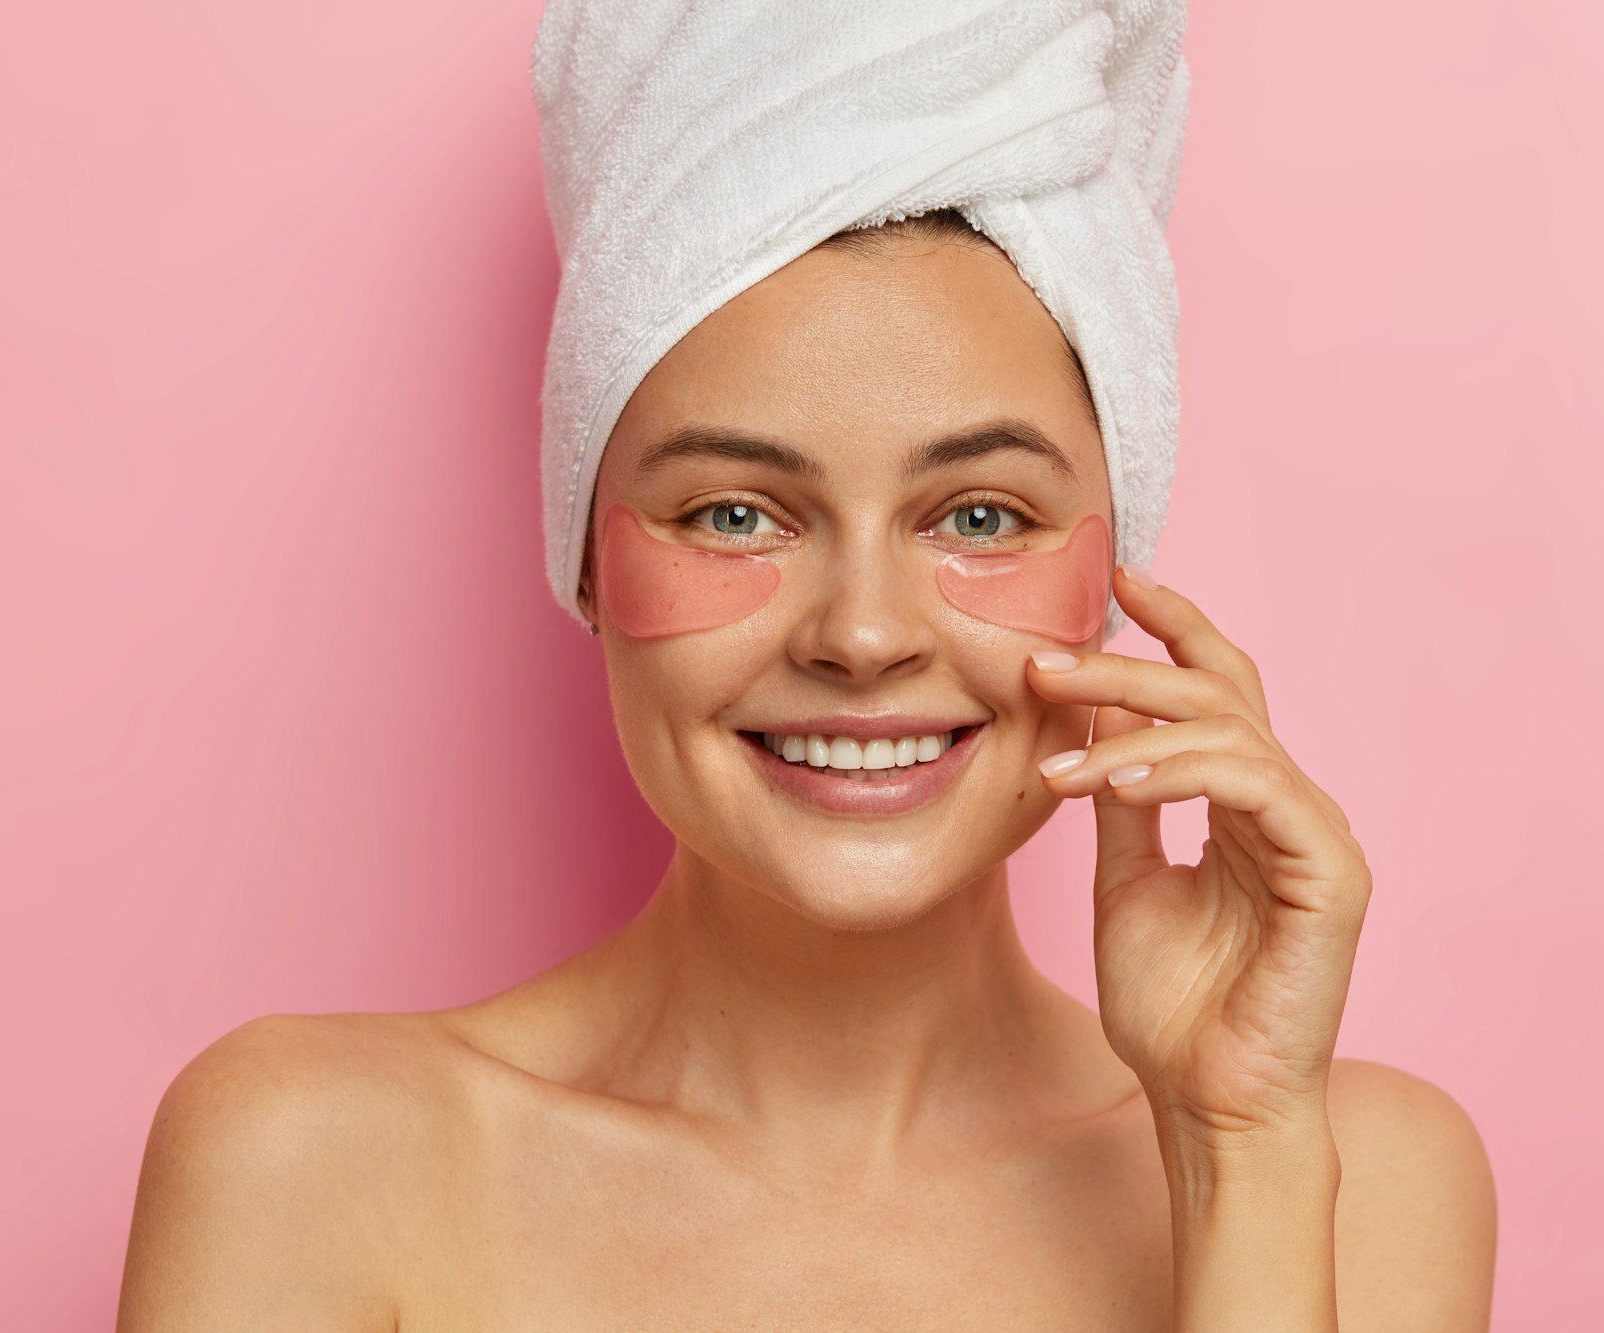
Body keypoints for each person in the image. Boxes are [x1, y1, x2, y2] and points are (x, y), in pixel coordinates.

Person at [116, 206, 1496, 1330]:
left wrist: (1236, 1152)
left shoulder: (1349, 1177)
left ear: (1110, 581)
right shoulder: (310, 1159)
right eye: (733, 512)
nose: (862, 634)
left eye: (977, 513)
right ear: (589, 565)